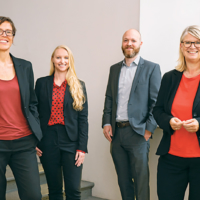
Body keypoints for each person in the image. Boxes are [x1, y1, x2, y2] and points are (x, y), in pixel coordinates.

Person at [102, 29, 161, 200]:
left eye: (133, 40)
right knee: (123, 180)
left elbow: (156, 103)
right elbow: (109, 97)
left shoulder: (151, 68)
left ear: (140, 44)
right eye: (126, 40)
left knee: (141, 180)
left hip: (138, 133)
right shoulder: (114, 69)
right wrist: (106, 122)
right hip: (117, 134)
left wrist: (148, 130)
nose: (129, 44)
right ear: (122, 43)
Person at [153, 25, 200, 200]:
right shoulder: (170, 78)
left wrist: (199, 123)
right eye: (188, 42)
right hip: (171, 159)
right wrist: (169, 121)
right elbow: (157, 110)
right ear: (181, 46)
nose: (192, 46)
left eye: (197, 42)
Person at [35, 45, 88, 200]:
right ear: (52, 60)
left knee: (73, 190)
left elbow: (83, 119)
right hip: (48, 140)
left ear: (70, 61)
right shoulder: (41, 83)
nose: (62, 61)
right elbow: (34, 114)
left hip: (71, 141)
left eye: (66, 58)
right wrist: (36, 140)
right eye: (58, 57)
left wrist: (82, 148)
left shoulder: (79, 85)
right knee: (54, 189)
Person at [0, 16, 42, 200]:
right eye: (0, 31)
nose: (4, 35)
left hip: (23, 142)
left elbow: (32, 103)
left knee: (33, 195)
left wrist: (36, 133)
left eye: (8, 32)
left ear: (13, 36)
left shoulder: (25, 67)